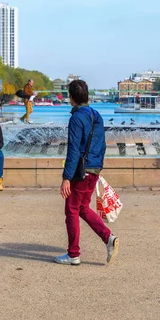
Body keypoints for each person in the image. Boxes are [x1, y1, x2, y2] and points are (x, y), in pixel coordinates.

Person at [55, 79, 119, 266]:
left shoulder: (76, 118)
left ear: (71, 98)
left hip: (81, 172)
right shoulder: (96, 115)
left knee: (72, 210)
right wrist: (97, 167)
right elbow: (102, 144)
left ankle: (73, 254)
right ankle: (108, 238)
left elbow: (74, 150)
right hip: (94, 169)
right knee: (83, 208)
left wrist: (66, 177)